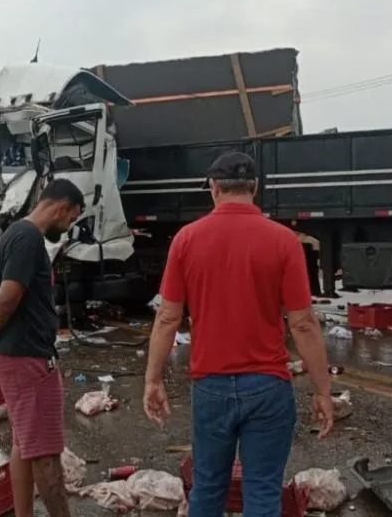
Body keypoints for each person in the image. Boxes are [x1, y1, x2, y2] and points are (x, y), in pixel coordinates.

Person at [142, 151, 336, 517]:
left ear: (213, 188)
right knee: (262, 491)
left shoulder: (186, 239)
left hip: (211, 386)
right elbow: (303, 323)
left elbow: (168, 317)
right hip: (267, 385)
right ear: (256, 187)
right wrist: (323, 391)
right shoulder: (283, 241)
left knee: (208, 487)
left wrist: (153, 379)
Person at [0, 178, 85, 517]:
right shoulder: (29, 238)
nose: (69, 226)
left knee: (24, 444)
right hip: (28, 360)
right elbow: (10, 294)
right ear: (61, 207)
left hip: (21, 357)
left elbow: (14, 295)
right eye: (71, 219)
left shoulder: (16, 234)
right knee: (45, 452)